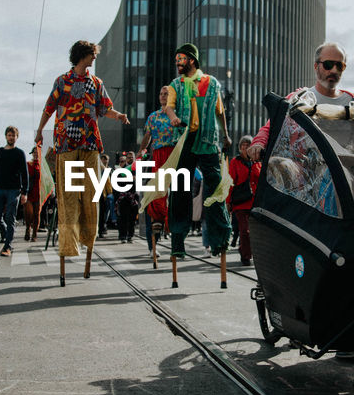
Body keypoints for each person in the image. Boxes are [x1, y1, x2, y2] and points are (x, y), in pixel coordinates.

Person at [34, 40, 129, 263]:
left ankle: (88, 239)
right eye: (92, 54)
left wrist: (120, 115)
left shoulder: (96, 82)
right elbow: (49, 107)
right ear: (82, 55)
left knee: (90, 196)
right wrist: (40, 130)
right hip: (66, 144)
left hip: (89, 144)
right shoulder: (62, 81)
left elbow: (105, 108)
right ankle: (68, 244)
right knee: (68, 197)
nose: (95, 58)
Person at [164, 42, 230, 258]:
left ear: (191, 60)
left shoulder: (211, 84)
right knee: (180, 190)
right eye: (176, 61)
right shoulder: (176, 84)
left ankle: (219, 239)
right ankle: (177, 241)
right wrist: (173, 119)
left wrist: (227, 135)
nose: (178, 64)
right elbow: (169, 107)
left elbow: (220, 112)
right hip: (185, 140)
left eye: (180, 59)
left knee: (215, 189)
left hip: (208, 141)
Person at [138, 85, 179, 244]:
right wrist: (142, 150)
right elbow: (147, 136)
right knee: (158, 187)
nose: (162, 96)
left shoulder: (176, 114)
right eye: (161, 94)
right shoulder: (153, 117)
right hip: (159, 153)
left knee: (175, 189)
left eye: (166, 94)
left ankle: (172, 221)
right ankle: (158, 220)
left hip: (174, 154)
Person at [0, 126, 28, 256]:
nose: (11, 137)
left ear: (17, 137)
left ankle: (7, 246)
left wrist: (24, 192)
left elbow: (24, 173)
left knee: (10, 217)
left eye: (13, 135)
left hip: (14, 190)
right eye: (9, 135)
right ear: (6, 136)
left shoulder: (19, 153)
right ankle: (5, 233)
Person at [228, 136, 262, 266]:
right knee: (244, 230)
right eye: (243, 145)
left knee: (254, 232)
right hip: (240, 202)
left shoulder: (257, 162)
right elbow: (230, 183)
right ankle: (246, 256)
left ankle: (244, 250)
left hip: (255, 202)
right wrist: (228, 201)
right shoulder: (235, 162)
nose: (245, 147)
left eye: (248, 144)